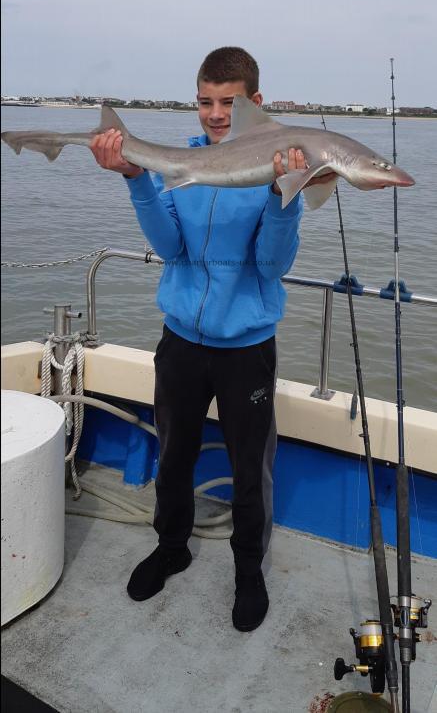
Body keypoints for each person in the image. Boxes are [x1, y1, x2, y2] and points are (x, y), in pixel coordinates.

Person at [90, 46, 331, 632]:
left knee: (252, 470)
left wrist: (284, 196)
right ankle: (171, 546)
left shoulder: (281, 162)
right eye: (206, 101)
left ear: (255, 103)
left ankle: (248, 569)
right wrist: (136, 180)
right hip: (180, 341)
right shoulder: (185, 165)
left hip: (246, 348)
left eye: (229, 102)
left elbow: (270, 267)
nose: (216, 114)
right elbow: (171, 249)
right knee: (173, 456)